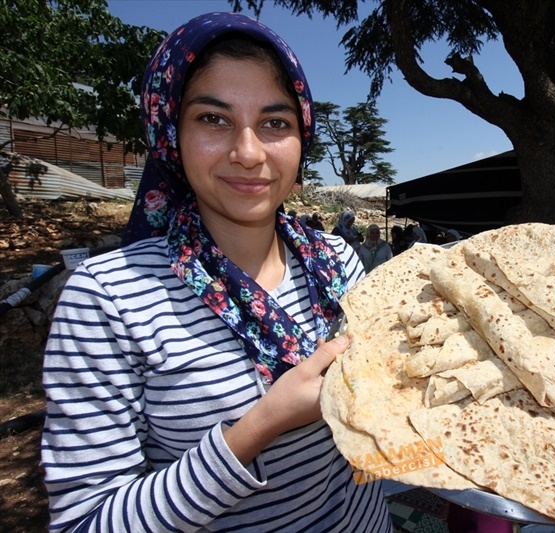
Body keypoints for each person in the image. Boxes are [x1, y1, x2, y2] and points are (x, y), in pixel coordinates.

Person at [40, 12, 391, 532]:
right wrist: (259, 426)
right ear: (170, 135)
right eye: (213, 119)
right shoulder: (106, 300)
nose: (248, 153)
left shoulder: (338, 261)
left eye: (275, 123)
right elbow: (83, 523)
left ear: (301, 140)